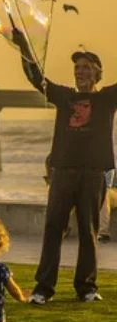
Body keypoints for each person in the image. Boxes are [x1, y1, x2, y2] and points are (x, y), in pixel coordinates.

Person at [12, 30, 117, 303]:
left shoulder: (106, 98)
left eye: (86, 68)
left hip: (93, 174)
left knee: (88, 232)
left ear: (97, 73)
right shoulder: (64, 96)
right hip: (63, 172)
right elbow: (36, 78)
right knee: (53, 229)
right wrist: (23, 44)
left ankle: (87, 288)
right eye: (77, 68)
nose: (80, 72)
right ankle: (43, 289)